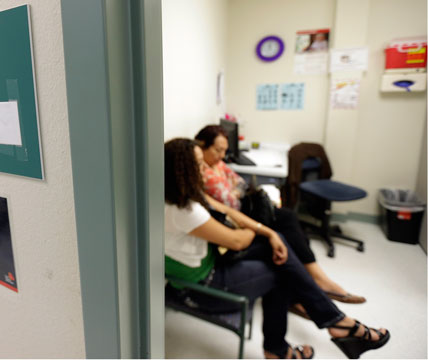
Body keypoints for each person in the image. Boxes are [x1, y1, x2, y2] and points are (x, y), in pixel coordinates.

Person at [164, 138, 389, 359]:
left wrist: (268, 232)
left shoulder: (184, 193)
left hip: (210, 259)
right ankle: (291, 343)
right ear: (180, 170)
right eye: (197, 164)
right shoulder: (183, 210)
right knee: (281, 273)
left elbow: (227, 210)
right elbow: (236, 241)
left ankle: (331, 322)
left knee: (279, 240)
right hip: (199, 288)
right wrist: (262, 224)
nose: (205, 168)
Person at [195, 125, 365, 305]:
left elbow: (240, 183)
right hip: (235, 220)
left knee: (291, 222)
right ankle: (315, 283)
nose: (222, 156)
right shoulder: (203, 172)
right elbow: (229, 201)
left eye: (224, 151)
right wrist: (234, 191)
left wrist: (233, 190)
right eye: (217, 150)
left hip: (242, 210)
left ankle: (313, 282)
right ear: (202, 146)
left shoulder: (217, 164)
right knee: (286, 231)